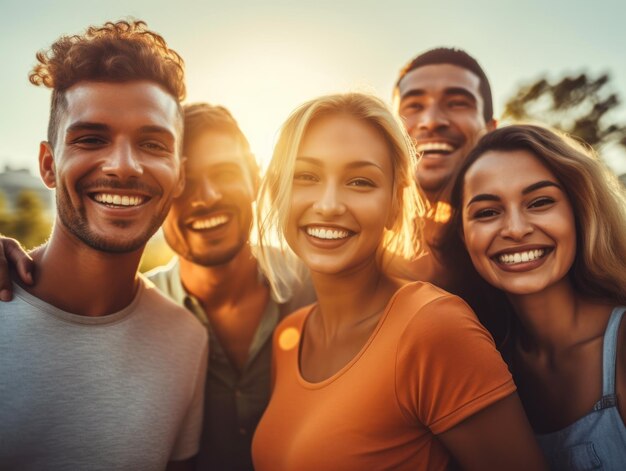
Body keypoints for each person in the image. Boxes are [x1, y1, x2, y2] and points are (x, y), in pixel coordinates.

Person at [251, 93, 547, 470]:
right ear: (279, 191)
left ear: (394, 203)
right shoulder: (289, 336)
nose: (328, 204)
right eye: (305, 176)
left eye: (360, 181)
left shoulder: (433, 328)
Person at [0, 20, 208, 471]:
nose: (123, 166)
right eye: (91, 139)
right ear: (48, 165)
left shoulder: (187, 341)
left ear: (180, 176)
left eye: (153, 143)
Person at [443, 124, 626, 470]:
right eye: (487, 212)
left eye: (540, 202)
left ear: (579, 210)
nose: (515, 228)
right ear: (464, 237)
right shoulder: (479, 365)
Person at [147, 103, 315, 471]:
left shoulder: (323, 284)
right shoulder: (132, 311)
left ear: (254, 177)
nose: (206, 196)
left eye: (224, 173)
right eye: (183, 182)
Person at [392, 47, 496, 288]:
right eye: (414, 106)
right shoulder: (350, 256)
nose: (431, 121)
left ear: (490, 130)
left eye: (457, 103)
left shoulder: (517, 250)